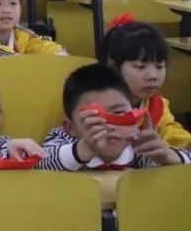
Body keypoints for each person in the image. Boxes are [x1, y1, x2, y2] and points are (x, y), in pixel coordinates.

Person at [37, 64, 190, 171]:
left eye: (118, 114)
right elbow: (40, 165)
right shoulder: (62, 138)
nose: (109, 126)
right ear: (71, 127)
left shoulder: (137, 143)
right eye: (94, 117)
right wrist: (84, 149)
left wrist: (168, 156)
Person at [99, 19, 190, 149]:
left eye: (159, 66)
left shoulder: (157, 105)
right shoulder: (98, 104)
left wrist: (187, 143)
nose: (152, 76)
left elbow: (170, 131)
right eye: (140, 67)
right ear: (114, 67)